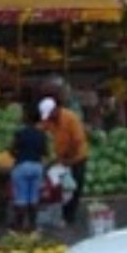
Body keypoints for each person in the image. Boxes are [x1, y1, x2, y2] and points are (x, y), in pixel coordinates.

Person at [39, 96, 89, 225]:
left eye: (50, 115)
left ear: (56, 109)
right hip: (61, 157)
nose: (49, 119)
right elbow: (41, 129)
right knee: (60, 186)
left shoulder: (70, 118)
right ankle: (60, 213)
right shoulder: (49, 121)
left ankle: (69, 215)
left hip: (76, 157)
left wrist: (67, 158)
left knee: (75, 186)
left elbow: (77, 141)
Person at [10, 101, 48, 232]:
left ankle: (18, 226)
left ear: (25, 118)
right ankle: (32, 225)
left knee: (21, 198)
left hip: (22, 166)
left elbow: (12, 150)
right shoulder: (41, 134)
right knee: (33, 198)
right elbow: (44, 152)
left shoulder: (20, 133)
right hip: (37, 167)